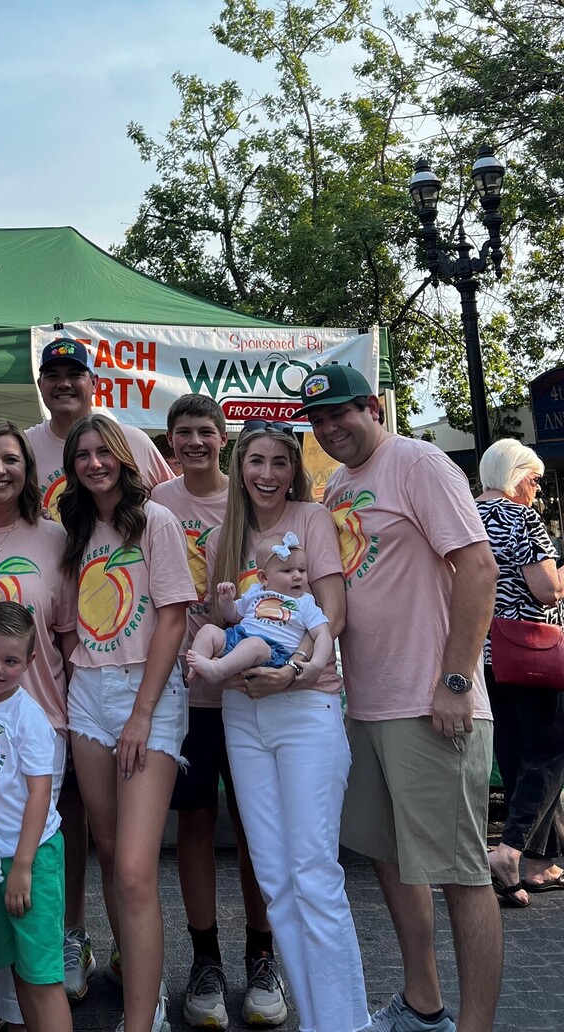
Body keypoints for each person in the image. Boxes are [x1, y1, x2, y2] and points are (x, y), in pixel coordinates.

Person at [299, 363, 501, 1032]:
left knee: (461, 875)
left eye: (340, 413)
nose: (331, 428)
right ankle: (423, 1004)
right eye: (319, 420)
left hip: (431, 706)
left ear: (372, 407)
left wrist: (455, 680)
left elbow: (478, 565)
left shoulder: (416, 461)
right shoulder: (337, 491)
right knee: (393, 863)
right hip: (368, 705)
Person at [206, 418, 367, 1032]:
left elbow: (333, 614)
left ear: (292, 468)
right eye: (255, 461)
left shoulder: (312, 519)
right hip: (244, 717)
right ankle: (316, 1017)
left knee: (313, 874)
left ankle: (345, 1023)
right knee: (275, 879)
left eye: (278, 462)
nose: (266, 474)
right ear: (239, 466)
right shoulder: (230, 532)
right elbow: (225, 618)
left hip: (306, 708)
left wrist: (294, 673)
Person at [59, 414, 195, 1032]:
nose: (94, 463)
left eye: (103, 452)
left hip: (148, 690)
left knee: (137, 867)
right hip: (85, 691)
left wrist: (142, 711)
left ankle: (144, 1017)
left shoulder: (155, 522)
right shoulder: (74, 526)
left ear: (124, 457)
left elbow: (172, 617)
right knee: (111, 854)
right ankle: (141, 982)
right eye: (82, 455)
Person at [151, 396, 281, 1029]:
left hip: (253, 690)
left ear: (224, 438)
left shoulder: (252, 496)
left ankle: (263, 957)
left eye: (206, 431)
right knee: (196, 827)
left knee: (258, 829)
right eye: (184, 433)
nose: (196, 442)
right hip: (189, 694)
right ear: (170, 441)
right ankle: (206, 962)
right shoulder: (157, 504)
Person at [0, 421, 83, 1021]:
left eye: (12, 459)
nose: (0, 470)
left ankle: (65, 948)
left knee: (34, 921)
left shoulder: (54, 538)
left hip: (38, 721)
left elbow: (68, 636)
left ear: (28, 470)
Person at [474, 439, 564, 907]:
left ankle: (540, 860)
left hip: (484, 652)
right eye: (532, 478)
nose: (535, 488)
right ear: (515, 475)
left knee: (514, 753)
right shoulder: (520, 517)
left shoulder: (467, 512)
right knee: (550, 752)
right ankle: (510, 850)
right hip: (531, 651)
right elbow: (546, 589)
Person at [0, 601, 72, 1032]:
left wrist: (23, 865)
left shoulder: (30, 718)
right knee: (13, 974)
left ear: (30, 662)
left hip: (31, 858)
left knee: (41, 978)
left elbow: (40, 795)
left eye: (11, 660)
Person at [25, 338, 174, 519]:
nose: (64, 383)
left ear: (95, 383)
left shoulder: (133, 441)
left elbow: (176, 505)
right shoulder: (24, 447)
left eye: (75, 374)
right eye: (52, 376)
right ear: (40, 384)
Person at [189, 534, 332, 685]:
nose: (297, 576)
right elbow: (234, 615)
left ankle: (217, 671)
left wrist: (317, 664)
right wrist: (226, 601)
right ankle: (197, 668)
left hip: (272, 652)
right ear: (264, 577)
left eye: (302, 570)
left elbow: (323, 634)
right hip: (239, 639)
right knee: (208, 630)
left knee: (254, 644)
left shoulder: (304, 602)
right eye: (288, 571)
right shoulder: (255, 592)